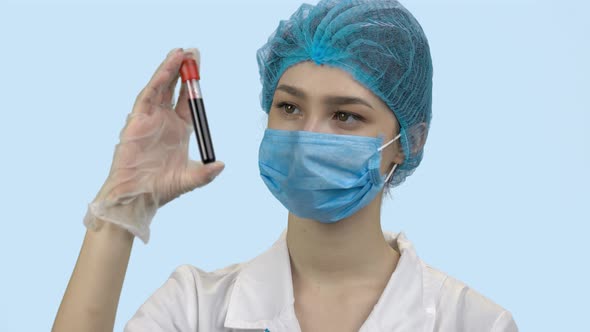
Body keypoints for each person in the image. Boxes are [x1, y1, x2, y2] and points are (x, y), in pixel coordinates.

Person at [53, 0, 518, 331]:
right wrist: (122, 207)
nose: (305, 136)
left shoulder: (471, 322)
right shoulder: (196, 308)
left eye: (345, 115)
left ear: (408, 143)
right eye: (290, 108)